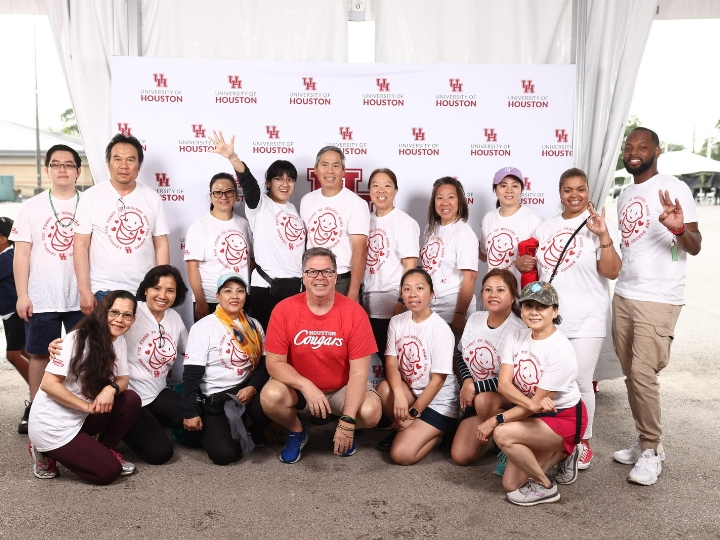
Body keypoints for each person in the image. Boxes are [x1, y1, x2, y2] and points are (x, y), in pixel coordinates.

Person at [612, 127, 701, 486]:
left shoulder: (675, 187)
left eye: (642, 147)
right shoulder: (624, 194)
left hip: (659, 297)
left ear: (657, 151)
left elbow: (693, 245)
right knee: (632, 374)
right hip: (625, 293)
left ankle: (651, 449)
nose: (634, 152)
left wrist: (679, 229)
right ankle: (644, 441)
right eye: (629, 147)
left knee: (645, 374)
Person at [533, 168, 621, 469]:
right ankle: (555, 438)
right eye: (568, 190)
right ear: (560, 194)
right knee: (550, 382)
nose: (574, 195)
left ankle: (583, 441)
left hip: (587, 317)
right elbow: (538, 273)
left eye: (580, 189)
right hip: (550, 320)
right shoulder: (545, 228)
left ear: (588, 192)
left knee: (582, 381)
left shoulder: (598, 225)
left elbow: (612, 271)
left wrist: (604, 234)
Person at [260, 247, 382, 463]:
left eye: (327, 272)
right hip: (300, 391)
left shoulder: (354, 312)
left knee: (371, 411)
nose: (320, 278)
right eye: (312, 272)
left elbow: (358, 373)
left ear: (336, 277)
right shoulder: (283, 310)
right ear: (303, 277)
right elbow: (274, 364)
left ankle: (344, 430)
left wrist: (347, 421)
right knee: (270, 396)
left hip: (342, 389)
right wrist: (306, 385)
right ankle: (297, 431)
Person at [477, 281, 586, 506]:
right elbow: (504, 386)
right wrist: (532, 405)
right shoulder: (516, 337)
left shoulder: (561, 349)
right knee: (511, 484)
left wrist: (494, 421)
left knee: (502, 434)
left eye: (542, 307)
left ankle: (545, 485)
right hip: (536, 414)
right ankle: (560, 454)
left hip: (564, 418)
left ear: (554, 311)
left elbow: (535, 404)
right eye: (528, 306)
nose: (534, 312)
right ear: (522, 309)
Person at [27, 291, 142, 485]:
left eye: (127, 315)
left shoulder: (118, 340)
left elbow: (123, 379)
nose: (119, 320)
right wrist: (87, 407)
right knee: (107, 473)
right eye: (114, 312)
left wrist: (110, 389)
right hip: (53, 427)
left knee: (130, 399)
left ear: (133, 319)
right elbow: (48, 384)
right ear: (102, 312)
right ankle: (44, 451)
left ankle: (106, 449)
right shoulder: (77, 339)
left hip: (80, 419)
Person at [11, 145, 85, 435]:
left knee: (83, 354)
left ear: (79, 170)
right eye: (56, 164)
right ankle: (36, 405)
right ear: (47, 170)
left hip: (82, 294)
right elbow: (21, 254)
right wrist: (22, 294)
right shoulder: (32, 206)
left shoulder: (89, 203)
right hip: (42, 295)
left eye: (69, 164)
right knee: (40, 354)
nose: (63, 169)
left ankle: (78, 405)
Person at [207, 130, 304, 331]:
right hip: (267, 288)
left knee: (293, 346)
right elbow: (249, 184)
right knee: (267, 347)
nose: (285, 184)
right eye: (279, 179)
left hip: (295, 288)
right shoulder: (260, 204)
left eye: (290, 180)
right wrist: (233, 157)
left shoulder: (294, 210)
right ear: (268, 183)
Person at [74, 134, 170, 314]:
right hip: (103, 291)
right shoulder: (91, 197)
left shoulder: (152, 198)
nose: (123, 166)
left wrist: (160, 286)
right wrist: (84, 290)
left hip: (144, 290)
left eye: (130, 160)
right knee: (106, 342)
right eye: (117, 159)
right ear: (108, 163)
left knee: (143, 342)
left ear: (139, 165)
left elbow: (161, 244)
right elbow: (80, 245)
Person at [181, 273, 269, 465]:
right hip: (216, 399)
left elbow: (265, 365)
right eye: (227, 291)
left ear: (246, 296)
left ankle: (246, 427)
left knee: (276, 393)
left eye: (240, 291)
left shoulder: (254, 325)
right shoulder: (203, 327)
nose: (234, 296)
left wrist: (252, 387)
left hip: (246, 392)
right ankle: (226, 428)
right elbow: (191, 375)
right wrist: (189, 412)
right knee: (225, 455)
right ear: (218, 297)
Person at [375, 268, 459, 465]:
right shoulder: (397, 321)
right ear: (401, 294)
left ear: (431, 294)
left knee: (400, 455)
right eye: (407, 289)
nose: (413, 294)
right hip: (413, 393)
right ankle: (409, 430)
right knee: (384, 389)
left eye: (419, 288)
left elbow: (438, 381)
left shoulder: (440, 329)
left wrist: (413, 414)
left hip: (439, 402)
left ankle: (438, 432)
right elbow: (391, 362)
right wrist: (399, 395)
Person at [450, 268, 525, 468]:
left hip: (504, 399)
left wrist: (476, 387)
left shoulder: (519, 329)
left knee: (483, 400)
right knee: (460, 456)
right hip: (476, 397)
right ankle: (492, 436)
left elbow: (515, 378)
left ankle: (506, 441)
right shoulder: (474, 319)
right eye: (488, 289)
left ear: (513, 297)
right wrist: (467, 381)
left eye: (500, 290)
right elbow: (460, 355)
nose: (493, 294)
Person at [123, 266, 189, 464]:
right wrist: (61, 343)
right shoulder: (132, 311)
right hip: (129, 398)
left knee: (191, 414)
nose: (163, 295)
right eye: (156, 288)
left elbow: (191, 352)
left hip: (156, 394)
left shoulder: (174, 318)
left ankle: (149, 422)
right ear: (145, 290)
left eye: (170, 290)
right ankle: (118, 425)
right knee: (161, 454)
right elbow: (93, 331)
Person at [362, 168, 420, 369]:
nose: (381, 190)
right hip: (368, 303)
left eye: (387, 186)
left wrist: (401, 300)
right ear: (369, 191)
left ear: (395, 191)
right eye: (376, 185)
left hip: (393, 304)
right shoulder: (364, 220)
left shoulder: (404, 223)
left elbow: (411, 266)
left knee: (397, 365)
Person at [299, 147, 370, 301]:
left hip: (341, 280)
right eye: (324, 165)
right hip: (311, 279)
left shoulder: (356, 204)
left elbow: (360, 252)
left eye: (336, 166)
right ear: (315, 169)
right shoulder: (306, 200)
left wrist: (353, 292)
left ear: (343, 171)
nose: (330, 171)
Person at [185, 172, 253, 322]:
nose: (224, 196)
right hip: (210, 299)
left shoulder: (244, 224)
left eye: (229, 192)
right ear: (211, 196)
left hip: (240, 299)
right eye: (218, 192)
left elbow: (252, 261)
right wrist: (200, 300)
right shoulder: (200, 226)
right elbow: (192, 267)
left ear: (236, 195)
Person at [420, 177, 478, 335]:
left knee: (453, 358)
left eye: (451, 197)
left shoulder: (463, 232)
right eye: (440, 198)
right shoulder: (431, 229)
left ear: (460, 201)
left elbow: (470, 277)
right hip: (430, 307)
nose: (445, 202)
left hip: (453, 307)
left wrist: (460, 314)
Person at [479, 167, 544, 288]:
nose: (509, 190)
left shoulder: (534, 219)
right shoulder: (489, 217)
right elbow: (484, 254)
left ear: (521, 189)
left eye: (514, 186)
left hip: (521, 295)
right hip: (493, 292)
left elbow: (544, 262)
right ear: (495, 190)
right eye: (503, 186)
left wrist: (522, 262)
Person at [0, 217, 31, 432]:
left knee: (13, 354)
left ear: (3, 239)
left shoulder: (7, 257)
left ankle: (41, 393)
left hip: (17, 314)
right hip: (9, 315)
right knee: (26, 353)